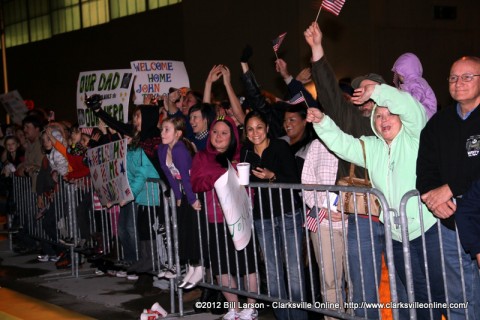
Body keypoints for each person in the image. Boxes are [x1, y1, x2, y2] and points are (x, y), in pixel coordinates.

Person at [306, 78, 445, 318]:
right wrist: (323, 123)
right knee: (414, 297)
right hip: (397, 236)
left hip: (427, 231)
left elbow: (413, 109)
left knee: (441, 293)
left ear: (401, 117)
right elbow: (343, 145)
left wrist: (379, 91)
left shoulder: (415, 139)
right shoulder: (373, 147)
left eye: (390, 114)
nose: (384, 120)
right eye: (378, 116)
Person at [304, 21, 389, 319]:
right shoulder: (355, 123)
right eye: (358, 91)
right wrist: (317, 49)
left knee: (398, 288)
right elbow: (329, 96)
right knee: (361, 287)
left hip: (396, 217)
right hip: (362, 218)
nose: (360, 95)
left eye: (368, 90)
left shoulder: (400, 124)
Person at [416, 56, 480, 319]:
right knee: (458, 296)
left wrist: (451, 187)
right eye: (453, 78)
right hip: (449, 219)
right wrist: (434, 198)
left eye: (467, 77)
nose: (458, 83)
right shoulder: (438, 124)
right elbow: (425, 168)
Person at [241, 110, 307, 320]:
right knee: (272, 272)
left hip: (287, 213)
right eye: (250, 129)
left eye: (259, 127)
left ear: (267, 128)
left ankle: (298, 317)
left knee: (294, 270)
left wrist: (273, 176)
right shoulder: (245, 153)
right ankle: (283, 316)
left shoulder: (280, 146)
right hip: (262, 218)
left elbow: (295, 180)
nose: (255, 133)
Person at [191, 116, 259, 320]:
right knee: (221, 267)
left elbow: (251, 189)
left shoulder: (242, 156)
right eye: (215, 132)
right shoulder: (202, 157)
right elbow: (195, 183)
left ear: (233, 137)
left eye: (224, 133)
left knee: (248, 265)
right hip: (216, 220)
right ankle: (234, 309)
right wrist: (217, 178)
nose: (218, 137)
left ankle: (251, 307)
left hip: (240, 220)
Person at [157, 116, 203, 288]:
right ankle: (191, 267)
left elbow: (186, 176)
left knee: (192, 229)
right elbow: (169, 176)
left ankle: (199, 266)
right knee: (183, 229)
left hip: (194, 189)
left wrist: (191, 199)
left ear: (178, 133)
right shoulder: (162, 150)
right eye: (162, 129)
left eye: (167, 129)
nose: (162, 133)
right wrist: (177, 196)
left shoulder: (180, 150)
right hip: (184, 191)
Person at [392, 52, 437, 119]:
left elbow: (418, 95)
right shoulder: (410, 83)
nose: (400, 78)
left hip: (426, 113)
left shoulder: (417, 82)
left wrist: (407, 104)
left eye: (401, 75)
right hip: (420, 113)